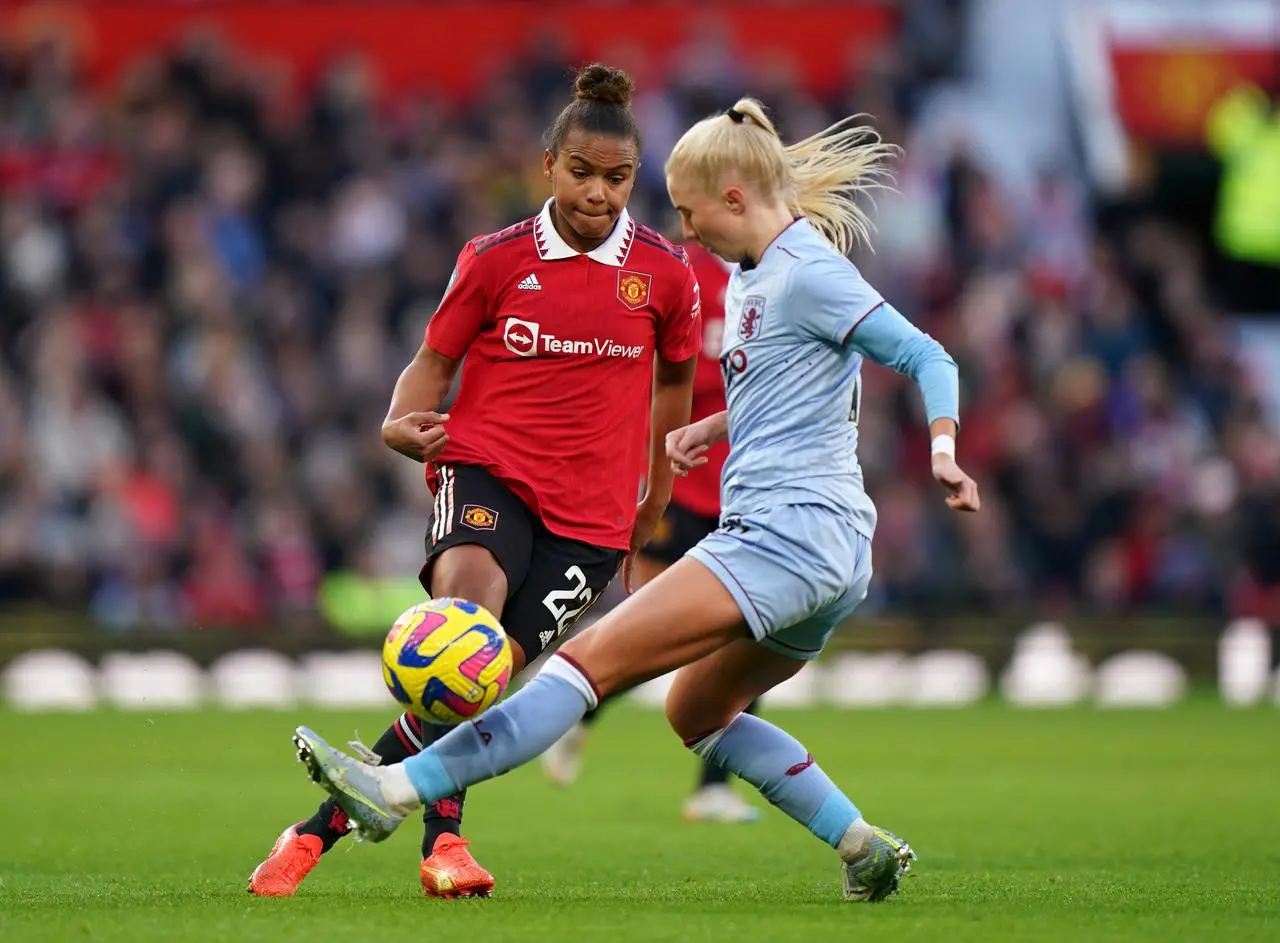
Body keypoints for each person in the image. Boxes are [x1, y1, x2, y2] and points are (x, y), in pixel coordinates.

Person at [290, 96, 981, 902]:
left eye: (688, 212)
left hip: (780, 537)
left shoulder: (808, 272)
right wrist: (712, 427)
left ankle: (390, 790)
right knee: (697, 711)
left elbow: (929, 356)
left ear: (732, 197)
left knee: (578, 669)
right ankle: (861, 844)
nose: (684, 232)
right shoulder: (756, 278)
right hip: (833, 557)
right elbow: (798, 391)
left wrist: (943, 453)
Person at [248, 64, 702, 898]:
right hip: (488, 470)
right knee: (468, 636)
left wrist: (657, 498)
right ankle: (446, 845)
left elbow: (675, 384)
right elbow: (432, 363)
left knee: (477, 685)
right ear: (548, 164)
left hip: (593, 521)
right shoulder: (495, 260)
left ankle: (314, 831)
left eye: (617, 178)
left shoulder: (666, 274)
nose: (598, 193)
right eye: (581, 172)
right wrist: (397, 420)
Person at [540, 240, 762, 824]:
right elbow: (656, 370)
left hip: (741, 486)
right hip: (679, 484)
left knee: (751, 631)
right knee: (651, 627)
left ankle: (712, 787)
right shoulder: (683, 273)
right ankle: (577, 707)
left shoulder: (771, 276)